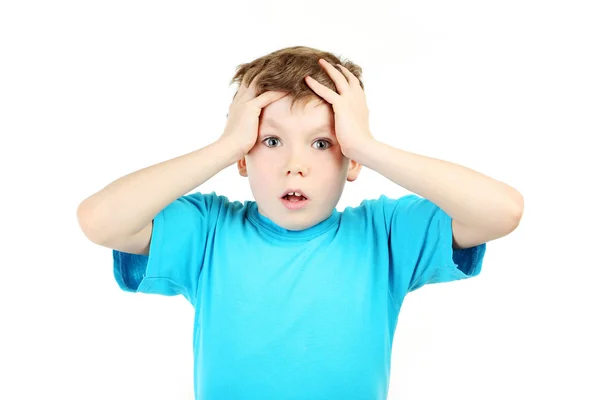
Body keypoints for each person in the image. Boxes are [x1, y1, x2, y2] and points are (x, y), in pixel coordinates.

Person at [77, 45, 524, 399]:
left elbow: (501, 211)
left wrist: (367, 146)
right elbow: (101, 221)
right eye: (270, 140)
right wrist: (224, 145)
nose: (296, 165)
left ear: (351, 159)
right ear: (243, 157)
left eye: (322, 142)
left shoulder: (384, 234)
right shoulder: (208, 230)